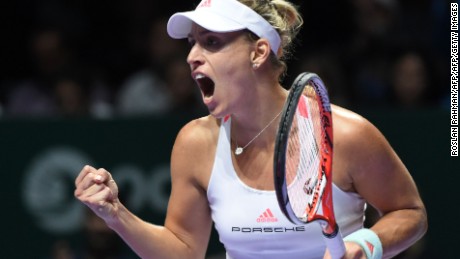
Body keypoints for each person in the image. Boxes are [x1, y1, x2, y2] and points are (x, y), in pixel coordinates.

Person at [74, 0, 427, 258]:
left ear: (258, 52)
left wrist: (364, 246)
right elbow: (183, 250)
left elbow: (410, 213)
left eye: (211, 42)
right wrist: (115, 214)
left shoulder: (344, 135)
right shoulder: (196, 143)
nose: (192, 56)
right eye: (192, 42)